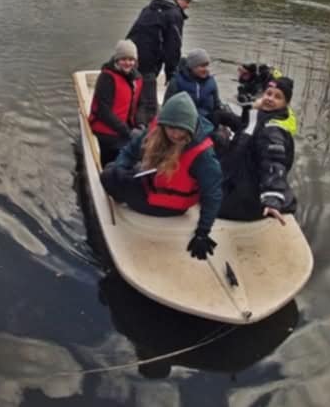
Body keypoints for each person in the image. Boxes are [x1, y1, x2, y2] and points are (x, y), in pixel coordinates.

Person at [100, 92, 222, 260]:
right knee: (114, 168)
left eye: (181, 129)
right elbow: (129, 150)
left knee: (107, 176)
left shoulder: (203, 156)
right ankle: (123, 183)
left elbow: (213, 194)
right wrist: (121, 167)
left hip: (169, 205)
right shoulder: (157, 129)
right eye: (170, 127)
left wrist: (203, 232)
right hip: (152, 183)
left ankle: (123, 197)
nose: (175, 134)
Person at [216, 76, 298, 223]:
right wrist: (250, 109)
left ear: (286, 103)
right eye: (268, 93)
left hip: (247, 197)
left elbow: (274, 162)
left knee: (210, 201)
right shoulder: (261, 116)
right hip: (242, 174)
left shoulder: (273, 130)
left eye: (278, 97)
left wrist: (272, 199)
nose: (270, 99)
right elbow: (245, 129)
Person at [126, 0, 193, 125]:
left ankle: (129, 118)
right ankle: (145, 132)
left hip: (130, 57)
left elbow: (135, 31)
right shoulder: (174, 14)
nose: (187, 6)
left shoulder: (150, 7)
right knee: (149, 103)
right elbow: (173, 46)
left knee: (133, 92)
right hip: (148, 62)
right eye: (187, 2)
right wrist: (171, 72)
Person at [88, 39, 143, 165]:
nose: (127, 63)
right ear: (117, 60)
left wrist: (140, 124)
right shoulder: (107, 78)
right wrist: (126, 131)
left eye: (131, 59)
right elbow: (104, 111)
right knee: (117, 154)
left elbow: (141, 104)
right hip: (106, 131)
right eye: (123, 59)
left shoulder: (137, 78)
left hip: (125, 129)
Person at [164, 48, 223, 122]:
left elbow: (217, 104)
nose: (206, 69)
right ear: (192, 67)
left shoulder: (211, 81)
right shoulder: (177, 81)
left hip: (207, 120)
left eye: (207, 66)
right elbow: (167, 106)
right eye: (202, 66)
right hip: (184, 122)